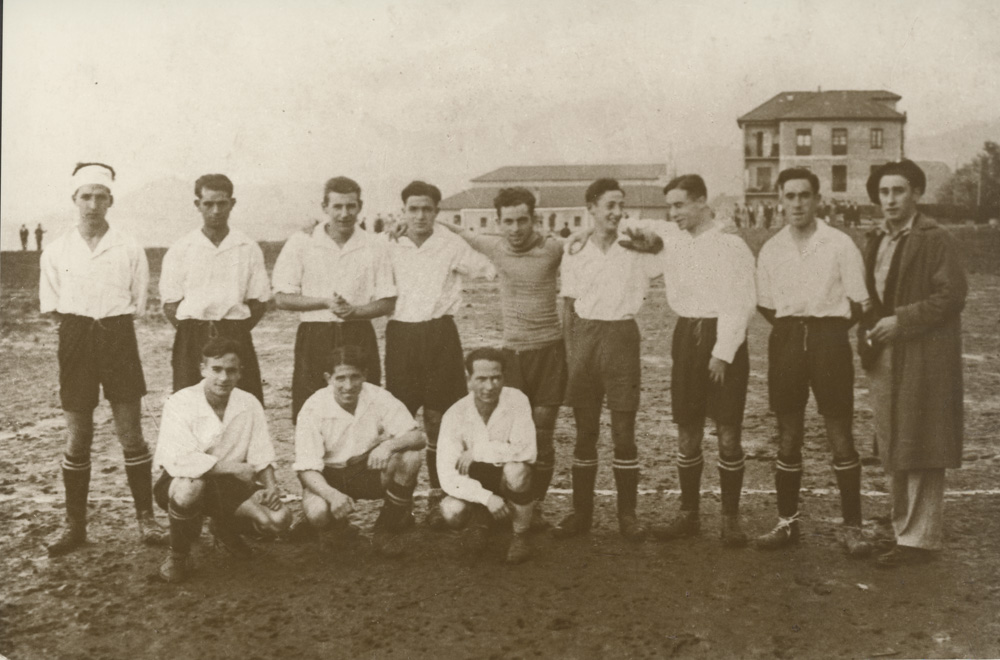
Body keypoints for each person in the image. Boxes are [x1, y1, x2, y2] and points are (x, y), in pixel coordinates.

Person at [39, 162, 167, 556]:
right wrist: (81, 328)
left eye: (101, 196)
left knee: (130, 432)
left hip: (117, 336)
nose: (93, 204)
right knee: (79, 434)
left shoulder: (128, 246)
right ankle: (74, 525)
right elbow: (54, 305)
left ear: (111, 200)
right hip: (75, 337)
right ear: (74, 200)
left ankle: (146, 519)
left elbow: (137, 300)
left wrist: (105, 325)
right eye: (86, 196)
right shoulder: (57, 248)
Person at [754, 168, 873, 556]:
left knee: (839, 433)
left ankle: (852, 527)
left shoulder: (839, 244)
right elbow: (767, 304)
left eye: (804, 195)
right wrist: (796, 330)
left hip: (829, 340)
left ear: (817, 199)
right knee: (788, 434)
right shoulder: (772, 248)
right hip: (787, 338)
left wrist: (826, 329)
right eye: (789, 196)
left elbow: (859, 301)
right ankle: (787, 523)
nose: (797, 203)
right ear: (780, 201)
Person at [436, 187, 566, 529]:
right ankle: (507, 498)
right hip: (513, 355)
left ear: (534, 219)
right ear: (499, 222)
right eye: (508, 221)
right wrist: (405, 226)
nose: (516, 228)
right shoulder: (494, 246)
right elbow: (458, 230)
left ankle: (533, 504)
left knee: (543, 433)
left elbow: (587, 244)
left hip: (549, 350)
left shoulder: (553, 248)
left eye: (523, 220)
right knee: (507, 431)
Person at [860, 160, 967, 568]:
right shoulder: (876, 239)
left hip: (925, 354)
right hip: (885, 352)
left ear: (917, 193)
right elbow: (870, 297)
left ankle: (919, 541)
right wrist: (868, 332)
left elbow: (951, 295)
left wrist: (900, 321)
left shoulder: (935, 238)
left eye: (899, 191)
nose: (890, 199)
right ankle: (901, 526)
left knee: (921, 437)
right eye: (884, 192)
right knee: (893, 439)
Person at [646, 175, 757, 548]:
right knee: (687, 429)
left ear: (701, 202)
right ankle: (688, 514)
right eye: (670, 207)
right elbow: (636, 229)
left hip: (721, 338)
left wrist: (723, 352)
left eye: (679, 205)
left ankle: (730, 519)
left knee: (727, 432)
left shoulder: (731, 245)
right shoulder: (674, 240)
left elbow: (740, 301)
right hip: (686, 337)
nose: (673, 213)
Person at [554, 178, 662, 541]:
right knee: (585, 433)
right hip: (585, 338)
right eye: (609, 205)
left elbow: (667, 244)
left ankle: (627, 515)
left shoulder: (636, 246)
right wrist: (571, 357)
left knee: (623, 433)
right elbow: (568, 305)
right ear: (592, 209)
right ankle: (581, 513)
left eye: (621, 205)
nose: (617, 212)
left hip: (621, 338)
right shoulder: (576, 250)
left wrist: (652, 241)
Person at [383, 180, 495, 529]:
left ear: (437, 211)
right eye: (413, 209)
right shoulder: (387, 243)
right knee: (401, 421)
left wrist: (456, 229)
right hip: (401, 334)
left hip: (440, 334)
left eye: (427, 209)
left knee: (439, 420)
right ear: (403, 211)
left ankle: (438, 495)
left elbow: (490, 267)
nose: (419, 215)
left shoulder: (450, 243)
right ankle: (399, 508)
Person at [153, 337, 291, 583]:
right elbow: (180, 460)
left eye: (231, 371)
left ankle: (224, 528)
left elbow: (261, 455)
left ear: (240, 373)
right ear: (203, 369)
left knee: (279, 520)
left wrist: (271, 488)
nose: (223, 378)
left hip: (228, 487)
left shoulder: (249, 403)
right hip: (179, 482)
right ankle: (178, 554)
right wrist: (234, 467)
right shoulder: (180, 402)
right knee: (190, 488)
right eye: (216, 369)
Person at [272, 176, 396, 423]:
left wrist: (355, 311)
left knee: (364, 410)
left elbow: (387, 301)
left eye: (350, 206)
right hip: (315, 335)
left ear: (360, 206)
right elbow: (282, 298)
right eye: (337, 206)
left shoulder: (374, 245)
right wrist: (325, 303)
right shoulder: (302, 242)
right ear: (324, 207)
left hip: (358, 333)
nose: (344, 213)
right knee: (311, 409)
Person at [294, 345, 424, 556]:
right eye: (341, 378)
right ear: (328, 378)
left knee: (410, 457)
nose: (349, 385)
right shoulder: (312, 408)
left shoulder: (377, 396)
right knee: (317, 513)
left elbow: (417, 436)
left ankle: (386, 529)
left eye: (355, 377)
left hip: (366, 469)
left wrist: (388, 445)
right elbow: (306, 469)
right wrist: (333, 495)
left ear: (365, 375)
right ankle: (338, 531)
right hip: (330, 475)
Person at [160, 174, 270, 403]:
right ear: (197, 204)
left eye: (222, 203)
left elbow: (258, 302)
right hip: (192, 336)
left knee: (242, 401)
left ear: (232, 203)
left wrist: (233, 329)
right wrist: (196, 328)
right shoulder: (182, 248)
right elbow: (170, 304)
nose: (216, 210)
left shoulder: (247, 247)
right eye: (208, 203)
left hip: (235, 334)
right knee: (190, 402)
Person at [437, 348, 537, 563]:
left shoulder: (517, 400)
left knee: (517, 471)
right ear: (469, 380)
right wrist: (486, 497)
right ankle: (481, 517)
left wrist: (478, 451)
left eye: (496, 378)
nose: (490, 386)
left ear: (504, 377)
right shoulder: (455, 414)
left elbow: (526, 450)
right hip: (475, 482)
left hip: (505, 479)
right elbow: (447, 476)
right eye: (481, 379)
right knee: (451, 511)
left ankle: (520, 535)